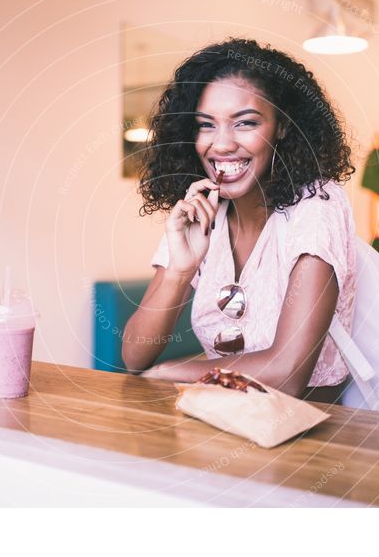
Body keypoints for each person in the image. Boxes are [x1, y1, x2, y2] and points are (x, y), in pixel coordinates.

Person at [122, 38, 356, 403]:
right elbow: (135, 356)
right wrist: (179, 272)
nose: (222, 145)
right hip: (220, 423)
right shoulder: (200, 212)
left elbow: (288, 372)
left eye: (245, 123)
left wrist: (171, 373)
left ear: (282, 126)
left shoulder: (317, 205)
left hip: (314, 437)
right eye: (206, 125)